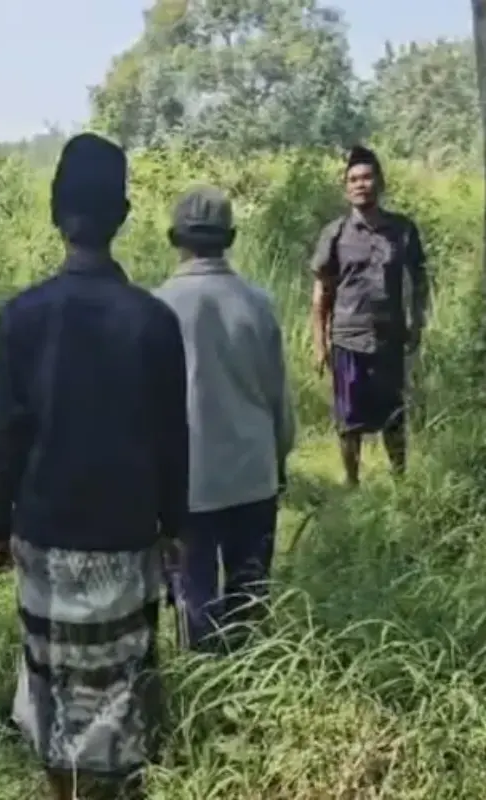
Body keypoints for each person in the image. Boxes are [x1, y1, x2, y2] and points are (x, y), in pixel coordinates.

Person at [0, 133, 190, 800]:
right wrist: (174, 525)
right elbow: (171, 436)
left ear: (54, 211)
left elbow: (4, 435)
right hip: (125, 531)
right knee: (121, 679)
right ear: (122, 215)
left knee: (51, 673)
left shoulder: (20, 317)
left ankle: (60, 787)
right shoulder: (153, 321)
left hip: (46, 529)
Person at [154, 185, 296, 652]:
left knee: (194, 602)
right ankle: (253, 677)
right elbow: (277, 396)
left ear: (175, 238)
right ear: (230, 238)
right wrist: (279, 459)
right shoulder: (257, 302)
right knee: (249, 599)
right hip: (252, 473)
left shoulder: (156, 307)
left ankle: (205, 681)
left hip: (187, 483)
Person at [310, 145, 429, 487]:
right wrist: (320, 342)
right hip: (348, 337)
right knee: (349, 419)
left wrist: (417, 322)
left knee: (394, 415)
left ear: (380, 182)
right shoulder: (336, 233)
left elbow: (419, 279)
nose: (360, 184)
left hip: (389, 338)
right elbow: (321, 292)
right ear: (346, 188)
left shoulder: (402, 230)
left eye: (366, 177)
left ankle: (401, 482)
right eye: (353, 180)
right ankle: (352, 483)